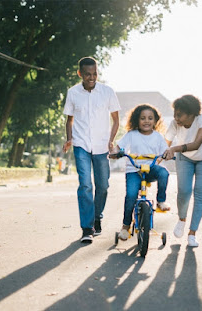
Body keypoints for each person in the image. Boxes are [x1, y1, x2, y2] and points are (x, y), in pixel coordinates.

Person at [62, 56, 121, 244]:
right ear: (80, 74)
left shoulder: (107, 92)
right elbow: (69, 120)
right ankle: (87, 228)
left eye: (95, 73)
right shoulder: (72, 93)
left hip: (102, 146)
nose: (92, 77)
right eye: (87, 74)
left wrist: (111, 140)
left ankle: (97, 217)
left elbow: (116, 119)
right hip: (80, 145)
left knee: (103, 186)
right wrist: (69, 139)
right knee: (86, 185)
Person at [163, 94, 202, 247]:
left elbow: (197, 144)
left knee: (200, 193)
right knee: (184, 191)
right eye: (175, 114)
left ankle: (192, 233)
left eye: (179, 115)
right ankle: (181, 219)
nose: (176, 118)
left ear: (192, 113)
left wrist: (174, 148)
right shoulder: (175, 124)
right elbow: (164, 144)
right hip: (185, 158)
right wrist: (158, 158)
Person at [114, 104, 171, 241]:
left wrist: (167, 154)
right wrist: (116, 153)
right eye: (143, 118)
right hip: (134, 170)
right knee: (131, 196)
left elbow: (165, 150)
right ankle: (125, 227)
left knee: (164, 173)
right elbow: (118, 147)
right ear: (136, 120)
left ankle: (160, 201)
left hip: (150, 168)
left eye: (150, 118)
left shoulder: (157, 136)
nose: (146, 121)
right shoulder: (131, 135)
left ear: (155, 121)